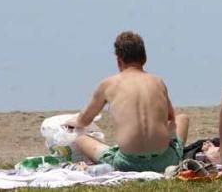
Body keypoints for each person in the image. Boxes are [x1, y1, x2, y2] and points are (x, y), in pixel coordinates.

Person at [67, 32, 189, 173]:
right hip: (165, 161)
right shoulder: (158, 81)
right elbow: (170, 117)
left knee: (81, 140)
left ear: (119, 61)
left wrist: (71, 121)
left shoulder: (108, 84)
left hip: (127, 164)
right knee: (182, 118)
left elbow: (84, 120)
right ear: (145, 58)